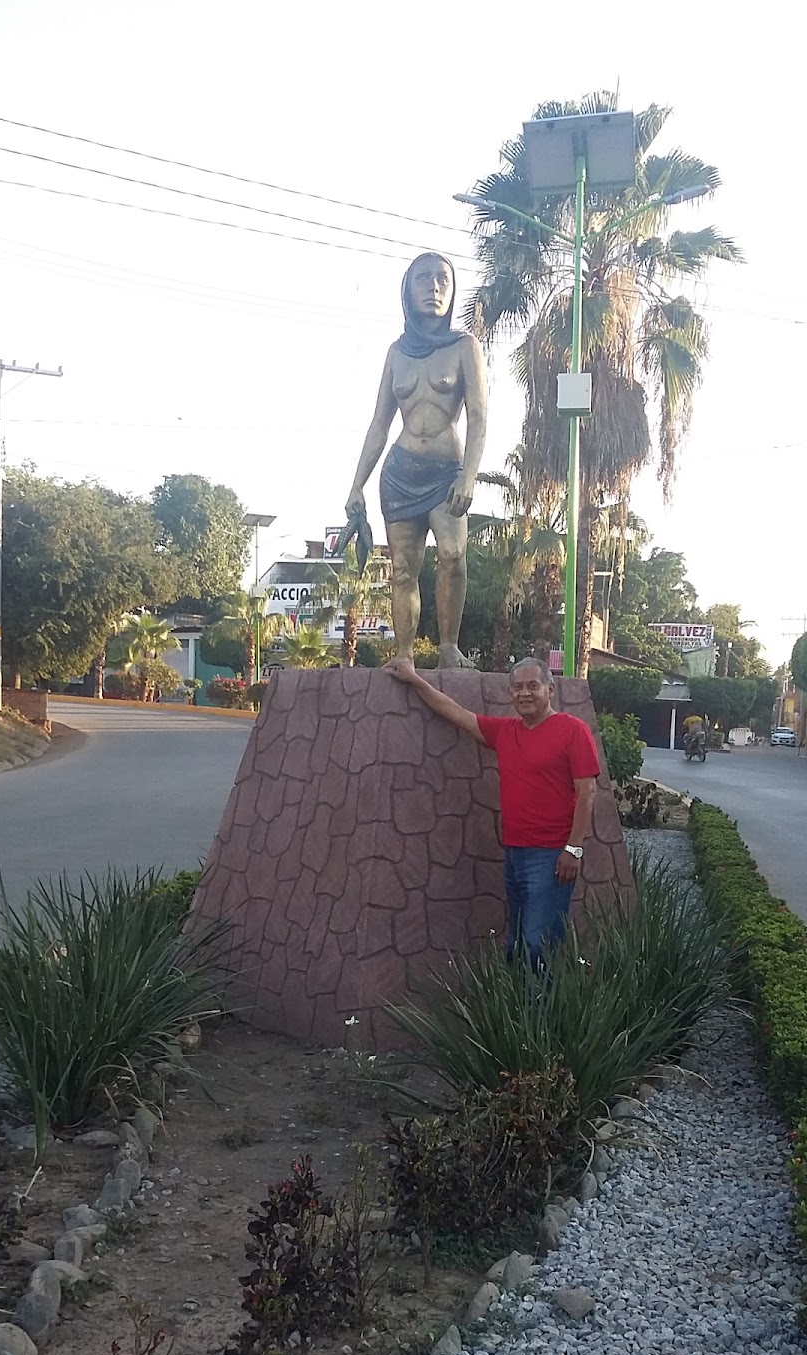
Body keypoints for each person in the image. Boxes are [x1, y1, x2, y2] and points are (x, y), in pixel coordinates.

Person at [383, 654, 598, 966]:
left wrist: (573, 849)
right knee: (517, 943)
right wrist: (414, 679)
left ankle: (545, 1011)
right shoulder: (505, 732)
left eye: (533, 686)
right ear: (510, 694)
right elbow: (455, 713)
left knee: (540, 944)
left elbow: (587, 792)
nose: (524, 693)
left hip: (551, 856)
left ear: (550, 691)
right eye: (517, 688)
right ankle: (520, 1010)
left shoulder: (572, 730)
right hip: (514, 854)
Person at [346, 251, 488, 668]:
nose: (434, 287)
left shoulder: (465, 346)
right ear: (407, 290)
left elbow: (479, 416)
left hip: (446, 473)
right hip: (400, 473)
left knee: (453, 555)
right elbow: (378, 425)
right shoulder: (396, 353)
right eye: (424, 279)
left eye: (443, 279)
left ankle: (448, 646)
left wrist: (468, 477)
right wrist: (356, 484)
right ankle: (404, 653)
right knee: (403, 570)